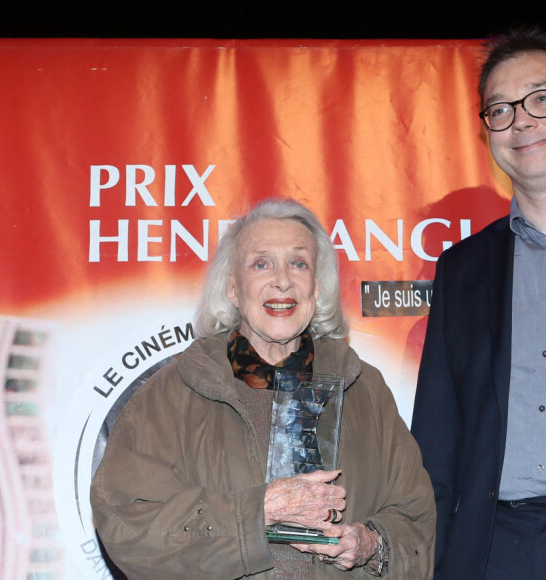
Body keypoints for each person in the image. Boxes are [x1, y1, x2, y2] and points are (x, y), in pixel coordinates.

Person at [91, 198, 435, 579]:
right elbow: (128, 524)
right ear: (234, 289)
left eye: (298, 263)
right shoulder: (172, 393)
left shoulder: (363, 389)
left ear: (317, 287)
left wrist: (370, 545)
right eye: (261, 263)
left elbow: (415, 522)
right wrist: (260, 511)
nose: (283, 280)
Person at [411, 27, 546, 580]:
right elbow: (436, 440)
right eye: (499, 109)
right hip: (489, 549)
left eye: (542, 97)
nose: (521, 119)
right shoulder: (463, 269)